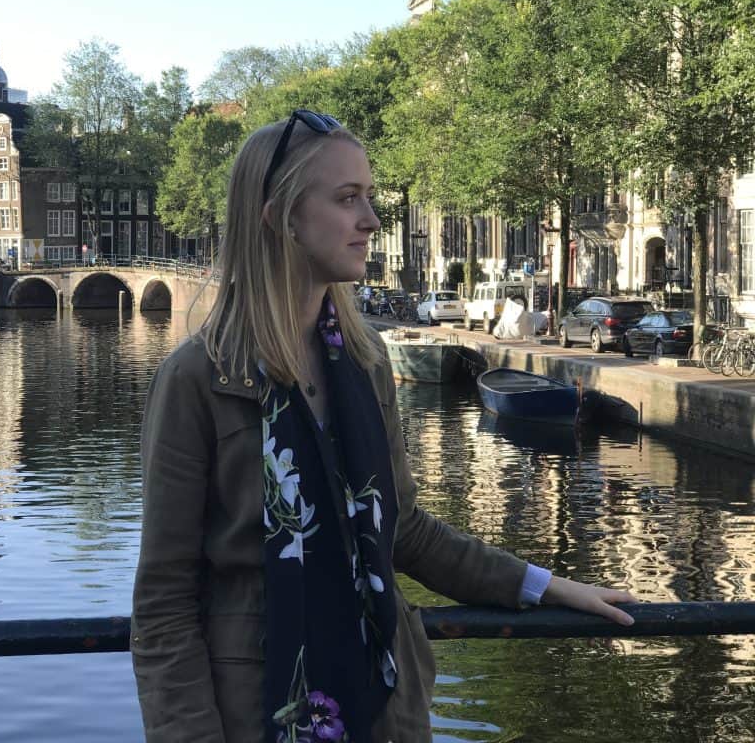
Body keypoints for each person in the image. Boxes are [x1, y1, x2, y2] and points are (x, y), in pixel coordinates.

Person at [131, 110, 636, 743]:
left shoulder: (364, 360)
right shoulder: (198, 378)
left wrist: (541, 585)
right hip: (257, 713)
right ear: (280, 217)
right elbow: (164, 604)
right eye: (348, 200)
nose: (372, 220)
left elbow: (403, 529)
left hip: (383, 707)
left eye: (369, 197)